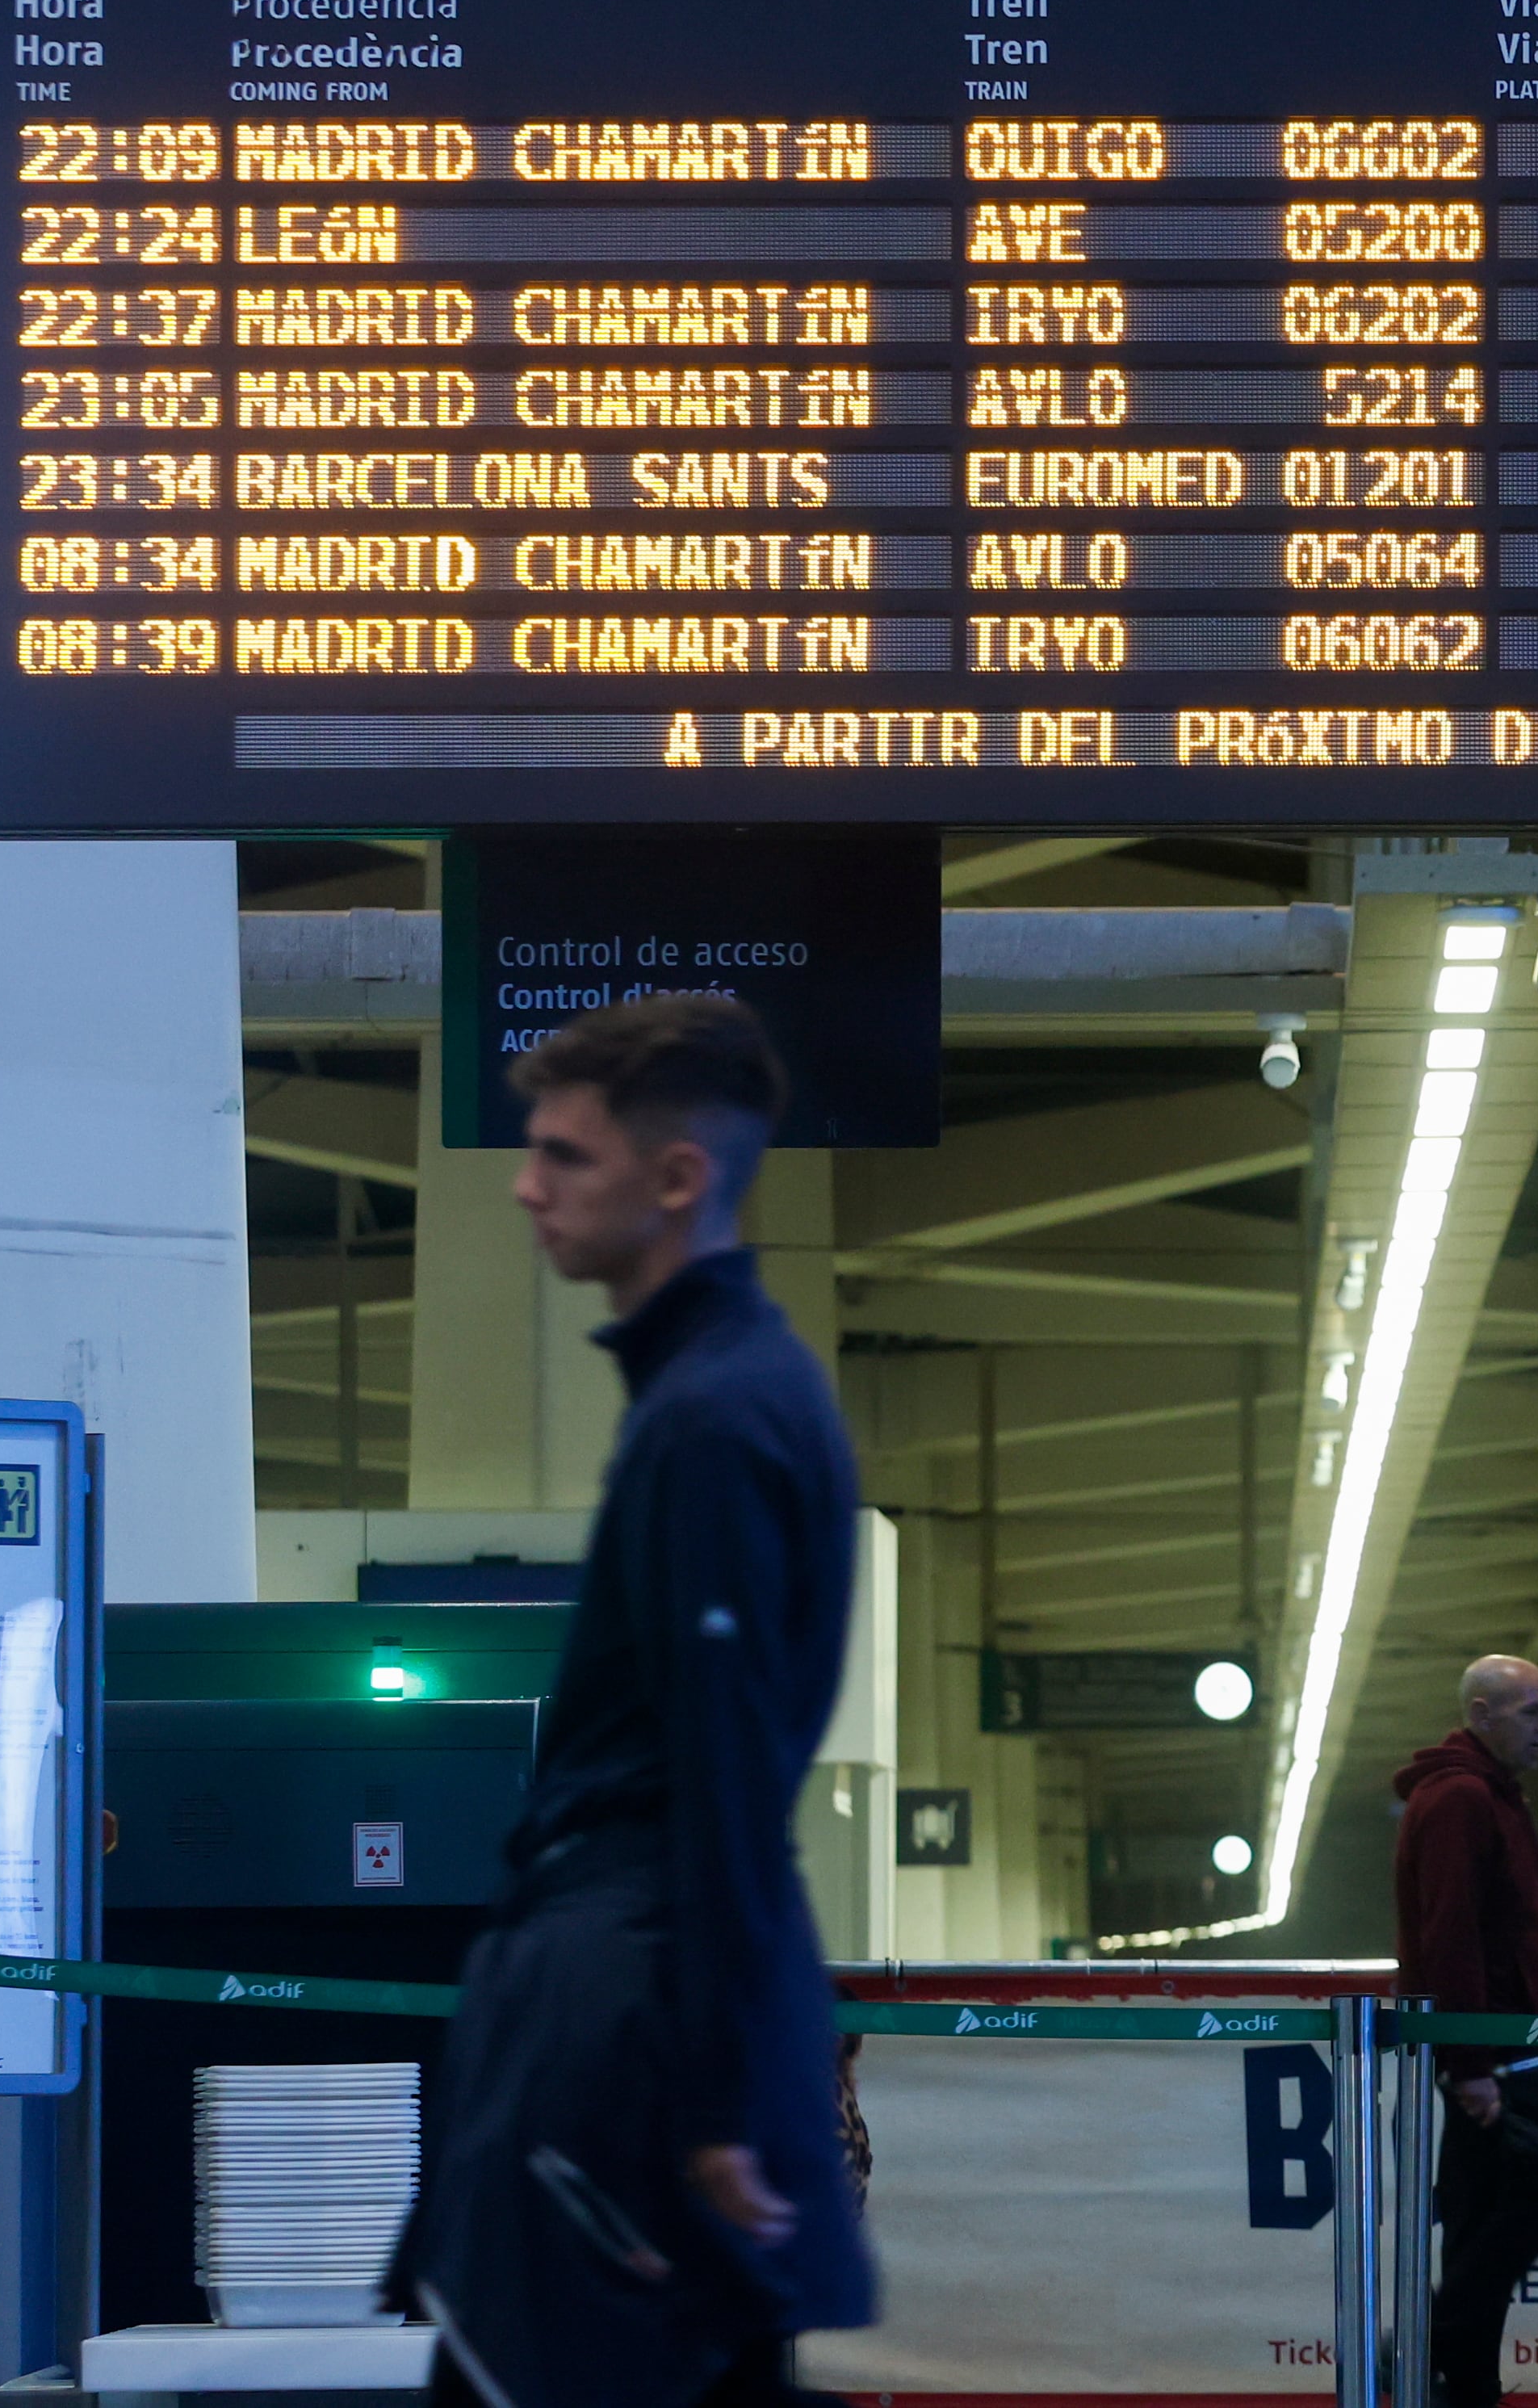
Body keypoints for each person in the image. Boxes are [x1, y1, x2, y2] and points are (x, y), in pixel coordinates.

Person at [395, 994, 874, 2408]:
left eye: (564, 1156)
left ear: (675, 1179)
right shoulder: (729, 1390)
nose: (524, 1185)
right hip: (653, 2000)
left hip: (633, 2019)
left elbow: (725, 1773)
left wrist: (719, 2096)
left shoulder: (712, 1422)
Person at [1393, 1655, 1538, 2408]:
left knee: (1477, 2228)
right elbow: (1453, 1936)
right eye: (1530, 1712)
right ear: (1481, 1714)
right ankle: (1431, 2343)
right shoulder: (1464, 1800)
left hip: (1510, 2050)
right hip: (1493, 2059)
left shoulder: (1488, 1796)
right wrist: (1469, 2061)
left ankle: (1464, 2388)